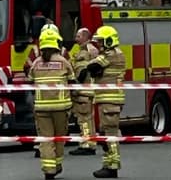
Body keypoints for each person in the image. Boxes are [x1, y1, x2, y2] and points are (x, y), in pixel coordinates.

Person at [30, 25, 76, 180]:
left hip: (42, 108)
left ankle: (48, 170)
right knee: (59, 138)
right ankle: (57, 165)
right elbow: (73, 80)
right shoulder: (63, 61)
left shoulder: (36, 63)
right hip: (61, 108)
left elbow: (29, 80)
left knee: (46, 139)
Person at [84, 25, 125, 179]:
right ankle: (108, 164)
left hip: (110, 100)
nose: (99, 45)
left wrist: (95, 66)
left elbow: (92, 66)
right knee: (105, 134)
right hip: (107, 100)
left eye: (101, 42)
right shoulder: (111, 54)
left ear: (109, 41)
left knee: (110, 134)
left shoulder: (112, 54)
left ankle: (112, 166)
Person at [68, 27, 100, 156]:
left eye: (78, 36)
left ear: (86, 37)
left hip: (85, 91)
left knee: (84, 119)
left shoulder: (90, 50)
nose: (76, 39)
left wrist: (80, 78)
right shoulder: (81, 50)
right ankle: (88, 142)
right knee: (84, 119)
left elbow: (91, 68)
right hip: (81, 91)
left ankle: (87, 144)